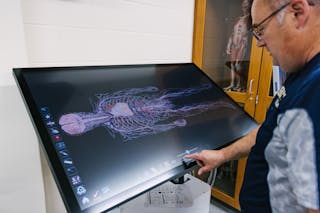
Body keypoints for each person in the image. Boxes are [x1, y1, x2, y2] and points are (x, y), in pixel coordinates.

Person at [185, 0, 320, 212]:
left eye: (261, 29)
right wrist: (222, 155)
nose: (258, 43)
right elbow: (271, 128)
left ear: (297, 12)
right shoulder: (300, 73)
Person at [224, 0, 251, 92]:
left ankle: (239, 84)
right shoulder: (238, 18)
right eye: (243, 5)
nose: (245, 7)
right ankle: (232, 84)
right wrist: (228, 44)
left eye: (247, 5)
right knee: (232, 64)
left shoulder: (250, 19)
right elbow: (233, 33)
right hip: (234, 44)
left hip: (242, 43)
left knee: (238, 64)